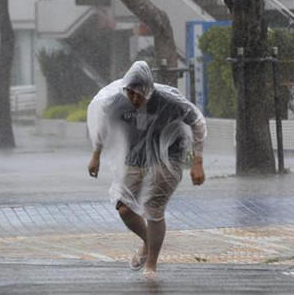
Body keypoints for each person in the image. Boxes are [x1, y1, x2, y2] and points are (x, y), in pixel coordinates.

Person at [86, 61, 206, 280]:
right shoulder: (117, 102)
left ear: (149, 90)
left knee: (153, 207)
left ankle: (151, 264)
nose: (134, 99)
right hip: (136, 156)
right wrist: (96, 155)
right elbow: (102, 124)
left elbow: (197, 122)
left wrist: (197, 162)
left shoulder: (170, 101)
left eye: (139, 94)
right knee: (123, 207)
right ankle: (148, 242)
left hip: (169, 156)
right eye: (130, 93)